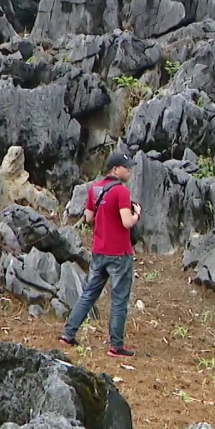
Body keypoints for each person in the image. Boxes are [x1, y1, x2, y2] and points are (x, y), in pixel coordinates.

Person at [59, 152, 141, 358]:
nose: (129, 170)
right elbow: (127, 222)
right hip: (119, 253)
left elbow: (88, 218)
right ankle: (116, 345)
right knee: (119, 299)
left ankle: (68, 334)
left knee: (88, 294)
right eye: (126, 167)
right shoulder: (122, 192)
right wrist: (137, 213)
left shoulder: (95, 188)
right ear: (115, 169)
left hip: (99, 250)